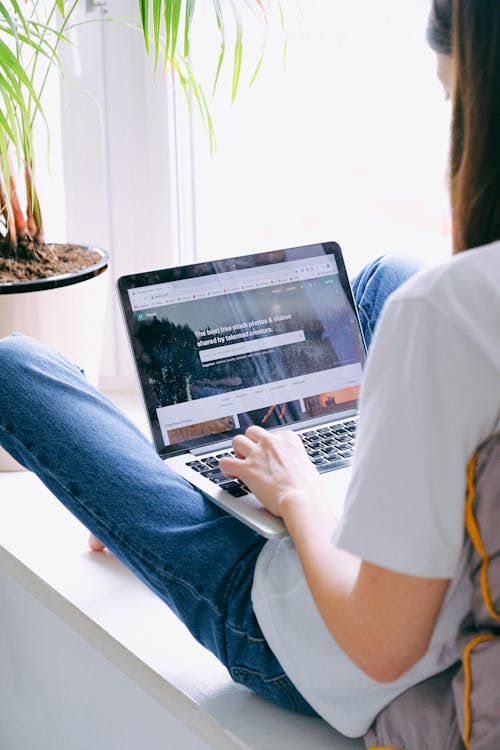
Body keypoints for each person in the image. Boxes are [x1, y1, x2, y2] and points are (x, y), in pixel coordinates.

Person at [1, 0, 499, 738]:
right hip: (446, 570)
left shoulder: (449, 310)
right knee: (390, 270)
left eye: (455, 101)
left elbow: (380, 647)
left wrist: (301, 496)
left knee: (12, 366)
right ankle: (303, 460)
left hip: (332, 649)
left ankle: (176, 481)